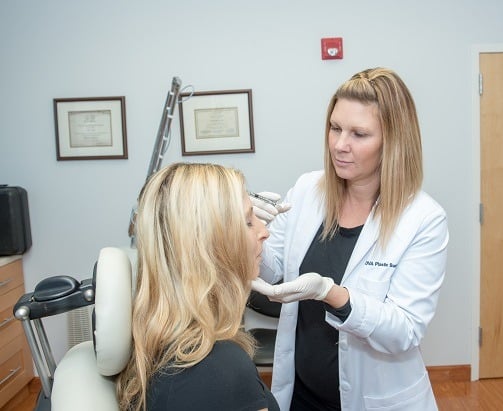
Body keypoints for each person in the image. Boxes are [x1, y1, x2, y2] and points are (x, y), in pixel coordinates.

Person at [250, 67, 449, 411]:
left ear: (393, 141)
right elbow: (271, 271)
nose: (340, 145)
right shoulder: (308, 189)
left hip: (374, 400)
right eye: (335, 128)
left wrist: (332, 294)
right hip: (301, 395)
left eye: (359, 134)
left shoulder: (423, 219)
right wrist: (247, 228)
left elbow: (404, 330)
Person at [116, 162, 280, 411]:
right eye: (248, 221)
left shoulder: (163, 347)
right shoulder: (221, 369)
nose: (264, 231)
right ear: (210, 244)